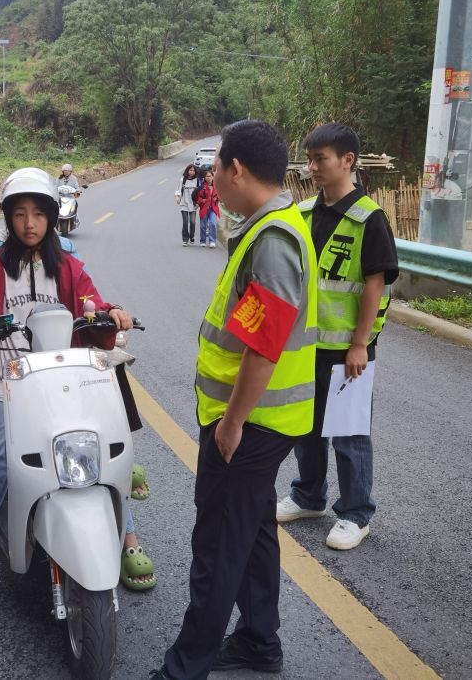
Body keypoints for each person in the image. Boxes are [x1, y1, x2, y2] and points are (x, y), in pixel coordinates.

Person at [0, 168, 153, 613]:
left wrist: (112, 314)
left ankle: (127, 537)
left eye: (38, 213)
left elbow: (92, 303)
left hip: (65, 378)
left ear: (52, 216)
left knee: (93, 459)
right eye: (19, 214)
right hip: (9, 379)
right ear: (8, 218)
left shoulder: (69, 265)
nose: (29, 223)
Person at [150, 119, 317, 680]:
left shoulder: (272, 240)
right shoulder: (271, 226)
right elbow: (252, 328)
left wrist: (232, 423)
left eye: (217, 165)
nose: (212, 176)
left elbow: (265, 348)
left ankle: (185, 667)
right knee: (253, 534)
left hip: (251, 423)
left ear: (236, 169)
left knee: (219, 544)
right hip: (264, 420)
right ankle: (258, 642)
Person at [276, 123, 398, 551]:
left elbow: (373, 285)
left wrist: (360, 343)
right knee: (305, 428)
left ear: (347, 160)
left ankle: (355, 514)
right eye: (309, 159)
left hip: (349, 349)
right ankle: (308, 497)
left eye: (320, 159)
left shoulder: (370, 219)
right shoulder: (305, 213)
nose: (312, 167)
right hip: (306, 345)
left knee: (348, 433)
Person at [175, 163, 200, 246]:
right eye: (190, 170)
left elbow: (200, 192)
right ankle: (185, 239)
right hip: (184, 203)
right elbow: (178, 190)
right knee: (185, 222)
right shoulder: (183, 179)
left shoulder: (197, 180)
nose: (192, 172)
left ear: (195, 172)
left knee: (192, 222)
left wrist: (198, 203)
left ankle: (192, 236)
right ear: (187, 170)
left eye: (193, 170)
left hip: (193, 204)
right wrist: (178, 197)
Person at [196, 170, 220, 248]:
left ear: (213, 177)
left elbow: (221, 196)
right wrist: (201, 200)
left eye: (210, 176)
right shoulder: (202, 187)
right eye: (207, 176)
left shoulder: (216, 186)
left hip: (213, 208)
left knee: (213, 223)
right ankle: (202, 241)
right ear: (204, 178)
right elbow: (197, 197)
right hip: (204, 208)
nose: (208, 178)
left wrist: (217, 198)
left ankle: (212, 241)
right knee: (203, 225)